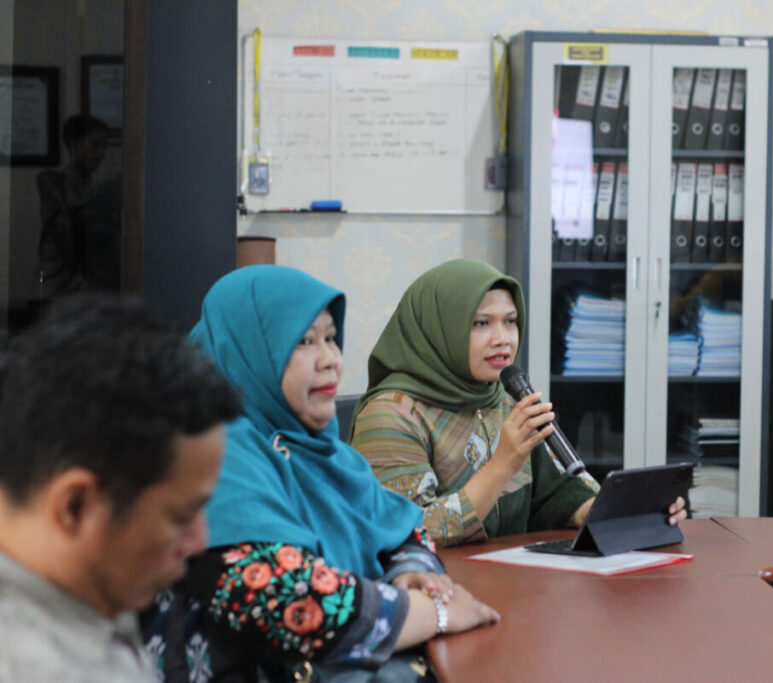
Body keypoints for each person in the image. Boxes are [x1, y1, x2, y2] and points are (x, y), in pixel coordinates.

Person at [145, 265, 499, 681]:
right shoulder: (212, 452)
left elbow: (402, 528)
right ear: (248, 351)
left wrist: (411, 571)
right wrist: (433, 613)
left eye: (331, 338)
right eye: (304, 341)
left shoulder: (326, 452)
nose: (330, 359)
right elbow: (282, 600)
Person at [350, 259, 686, 547]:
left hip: (510, 584)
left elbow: (554, 494)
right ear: (440, 329)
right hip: (432, 589)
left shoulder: (504, 398)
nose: (503, 339)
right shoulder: (391, 414)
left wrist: (620, 512)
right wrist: (502, 466)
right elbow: (407, 532)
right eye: (481, 323)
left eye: (510, 321)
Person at [0, 293, 241, 681]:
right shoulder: (39, 668)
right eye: (180, 517)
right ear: (75, 506)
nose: (199, 542)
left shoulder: (88, 594)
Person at [37, 114, 120, 297]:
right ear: (75, 144)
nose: (102, 153)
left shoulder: (95, 187)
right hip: (66, 287)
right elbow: (65, 233)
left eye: (104, 147)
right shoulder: (54, 184)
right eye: (95, 145)